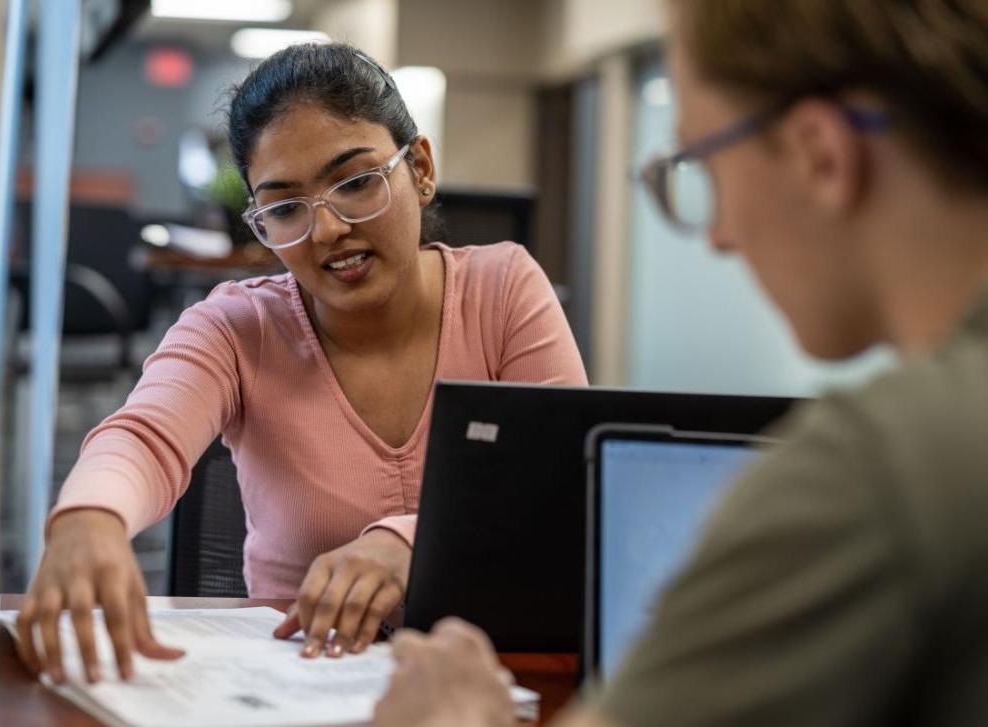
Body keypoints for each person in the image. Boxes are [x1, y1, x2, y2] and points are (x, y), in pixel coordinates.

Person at [373, 1, 988, 725]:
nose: (720, 236)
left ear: (819, 153)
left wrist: (456, 716)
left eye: (706, 166)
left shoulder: (878, 471)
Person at [16, 43, 587, 685]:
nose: (326, 230)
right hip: (301, 680)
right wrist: (89, 515)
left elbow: (561, 487)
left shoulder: (503, 290)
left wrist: (408, 542)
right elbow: (143, 438)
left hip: (498, 679)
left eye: (355, 182)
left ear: (420, 169)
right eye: (286, 207)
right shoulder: (237, 327)